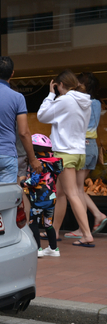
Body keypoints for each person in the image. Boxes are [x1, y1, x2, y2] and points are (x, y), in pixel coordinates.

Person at [37, 70, 93, 247]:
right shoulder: (86, 101)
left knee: (71, 194)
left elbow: (42, 116)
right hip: (79, 151)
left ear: (61, 85)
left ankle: (86, 234)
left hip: (64, 152)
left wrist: (50, 95)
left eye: (57, 87)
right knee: (62, 192)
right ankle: (54, 230)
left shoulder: (64, 100)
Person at [55, 72, 107, 239]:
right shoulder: (97, 103)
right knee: (74, 189)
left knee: (76, 190)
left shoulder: (79, 102)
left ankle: (94, 217)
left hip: (80, 145)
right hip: (92, 145)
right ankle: (82, 226)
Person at [21, 134, 63, 257]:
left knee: (33, 222)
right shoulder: (51, 162)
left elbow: (34, 181)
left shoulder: (37, 163)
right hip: (51, 198)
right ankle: (53, 249)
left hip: (39, 199)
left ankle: (37, 249)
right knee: (48, 223)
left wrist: (23, 183)